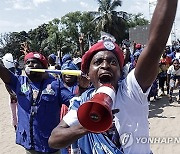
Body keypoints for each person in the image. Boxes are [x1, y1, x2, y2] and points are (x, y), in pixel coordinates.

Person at [48, 0, 178, 153]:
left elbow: (156, 45)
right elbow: (54, 140)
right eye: (98, 62)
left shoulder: (132, 91)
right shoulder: (82, 104)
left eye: (112, 62)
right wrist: (90, 123)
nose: (105, 65)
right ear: (88, 74)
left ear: (121, 71)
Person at [0, 52, 74, 154]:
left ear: (43, 67)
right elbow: (5, 75)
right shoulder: (19, 81)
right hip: (30, 145)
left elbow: (74, 103)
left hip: (50, 146)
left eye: (34, 62)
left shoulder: (55, 85)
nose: (30, 65)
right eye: (27, 62)